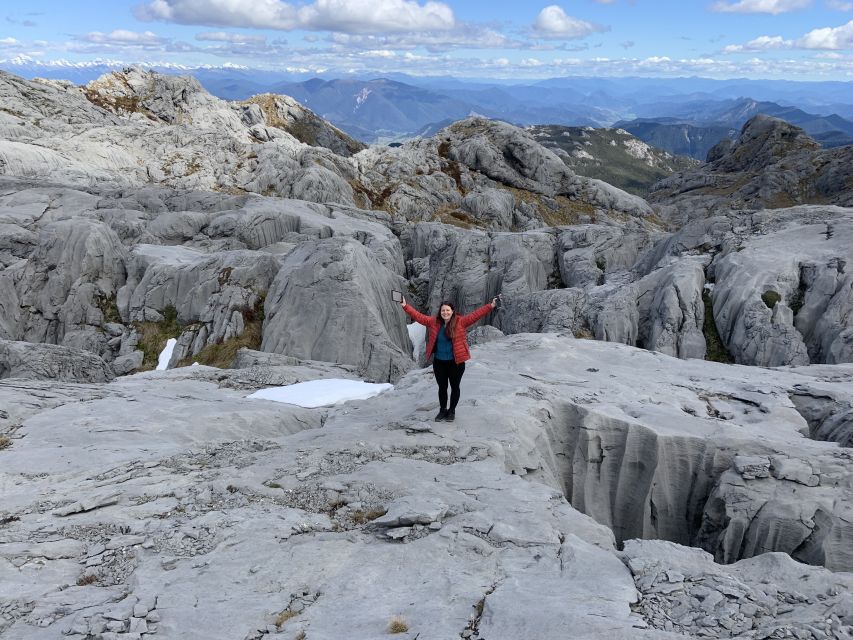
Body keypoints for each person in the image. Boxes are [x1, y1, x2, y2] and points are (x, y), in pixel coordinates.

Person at [400, 295, 498, 422]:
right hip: (439, 363)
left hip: (456, 363)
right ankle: (442, 410)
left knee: (455, 387)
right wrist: (405, 306)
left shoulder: (460, 322)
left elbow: (476, 315)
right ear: (440, 312)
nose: (445, 312)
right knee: (442, 388)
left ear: (452, 311)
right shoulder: (434, 322)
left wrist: (491, 306)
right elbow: (419, 317)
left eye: (447, 310)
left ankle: (452, 411)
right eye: (443, 310)